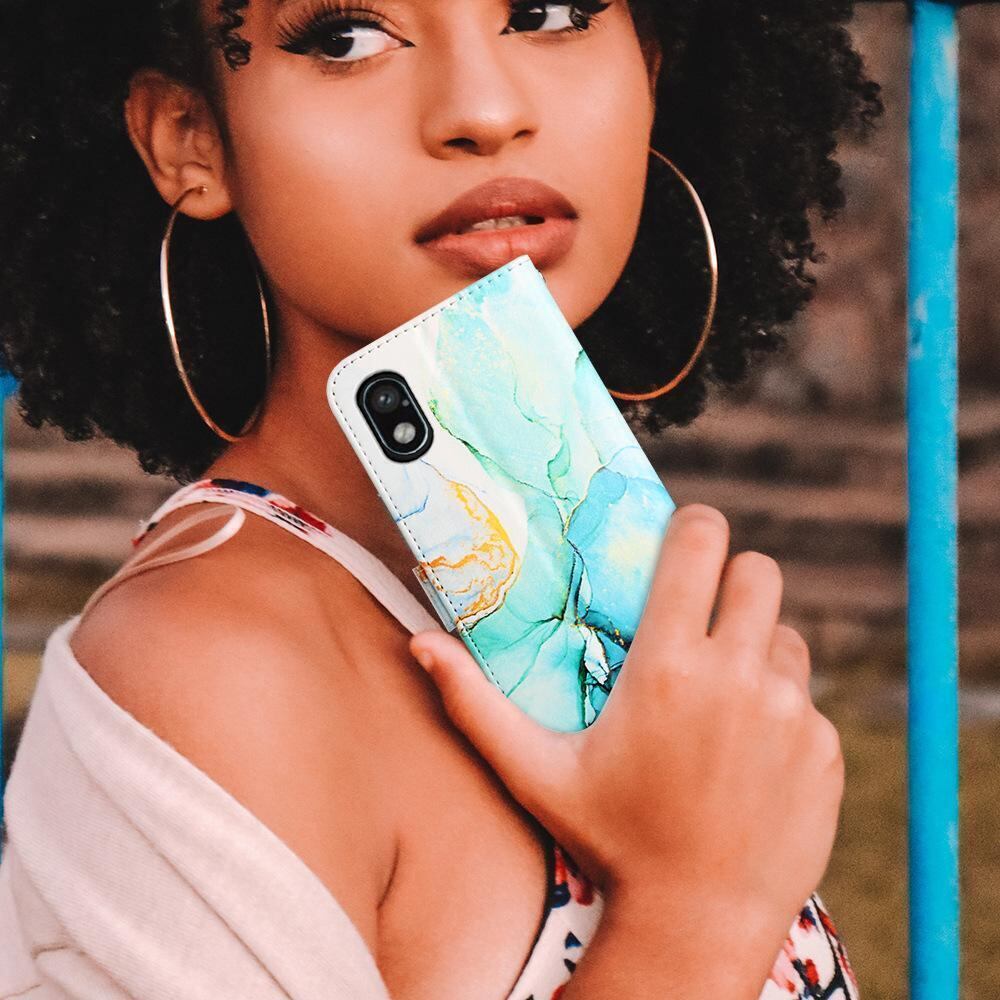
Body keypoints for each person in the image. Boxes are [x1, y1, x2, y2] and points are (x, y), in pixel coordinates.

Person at [0, 0, 882, 996]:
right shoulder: (209, 668)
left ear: (649, 70)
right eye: (346, 37)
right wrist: (695, 905)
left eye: (549, 12)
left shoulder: (579, 586)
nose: (484, 110)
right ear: (190, 139)